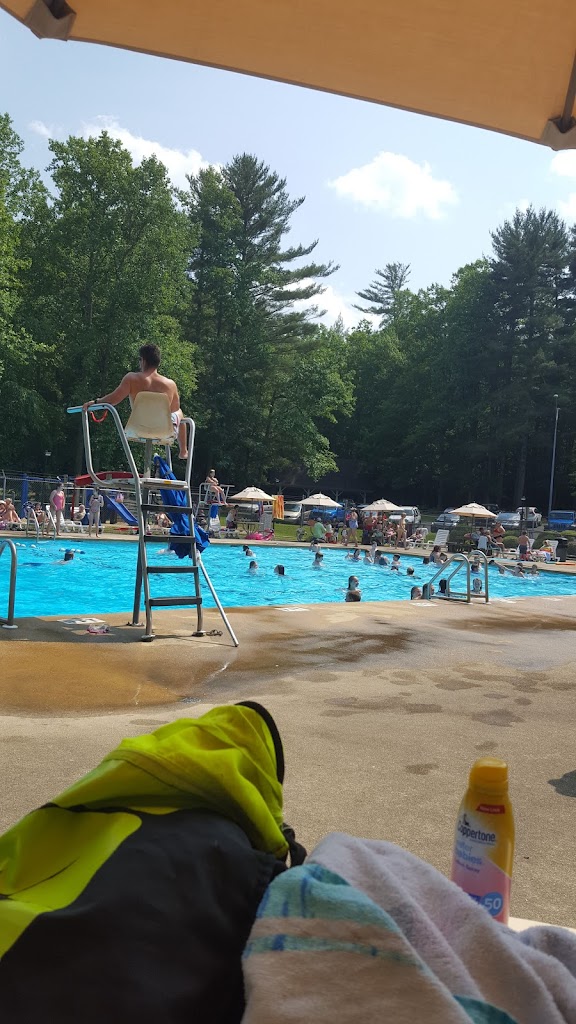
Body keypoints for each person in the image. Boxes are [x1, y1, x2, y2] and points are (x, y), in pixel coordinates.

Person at [82, 343, 189, 459]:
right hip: (164, 430)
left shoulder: (132, 378)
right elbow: (174, 408)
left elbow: (113, 399)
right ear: (158, 362)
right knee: (179, 412)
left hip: (137, 428)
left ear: (143, 361)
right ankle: (183, 450)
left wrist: (96, 402)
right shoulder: (170, 384)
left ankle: (183, 450)